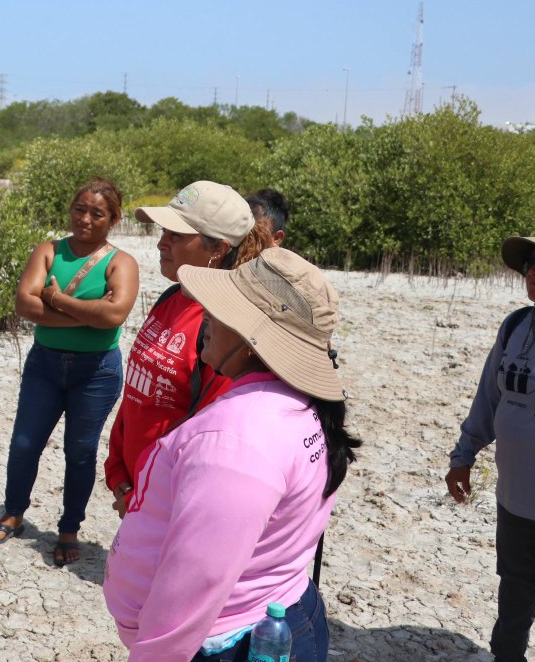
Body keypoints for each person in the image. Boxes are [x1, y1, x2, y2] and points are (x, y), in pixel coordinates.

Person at [104, 247, 361, 661]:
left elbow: (197, 584)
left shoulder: (235, 441)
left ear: (251, 340)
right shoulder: (293, 401)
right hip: (281, 608)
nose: (205, 315)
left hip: (229, 641)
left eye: (222, 309)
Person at [0, 178, 139, 566]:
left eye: (97, 213)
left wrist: (54, 299)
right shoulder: (49, 251)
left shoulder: (121, 262)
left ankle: (69, 529)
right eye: (79, 209)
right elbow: (24, 304)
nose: (85, 219)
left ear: (114, 219)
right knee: (24, 444)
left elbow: (115, 315)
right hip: (45, 365)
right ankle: (13, 514)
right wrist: (87, 315)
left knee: (80, 452)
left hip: (96, 372)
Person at [103, 180, 270, 517]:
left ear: (218, 249)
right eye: (163, 231)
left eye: (176, 235)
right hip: (136, 491)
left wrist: (146, 495)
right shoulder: (170, 298)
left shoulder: (224, 328)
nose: (161, 243)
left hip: (169, 499)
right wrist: (118, 470)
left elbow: (207, 433)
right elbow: (137, 394)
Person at [446, 235, 535, 662]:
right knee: (515, 595)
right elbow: (489, 398)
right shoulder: (515, 326)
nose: (533, 273)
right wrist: (463, 456)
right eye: (530, 265)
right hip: (515, 499)